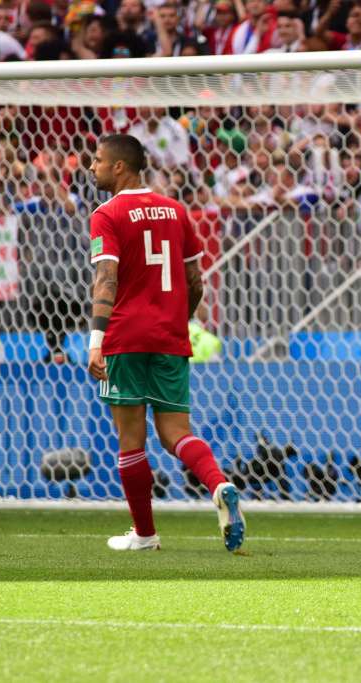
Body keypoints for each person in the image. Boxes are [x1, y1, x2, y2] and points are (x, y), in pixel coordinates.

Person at [87, 134, 244, 553]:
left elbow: (106, 277)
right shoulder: (177, 211)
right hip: (170, 336)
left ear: (120, 167)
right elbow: (196, 282)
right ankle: (219, 483)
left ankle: (145, 534)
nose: (92, 167)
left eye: (98, 160)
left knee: (130, 439)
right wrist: (177, 319)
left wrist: (95, 338)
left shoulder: (106, 213)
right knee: (176, 433)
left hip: (123, 336)